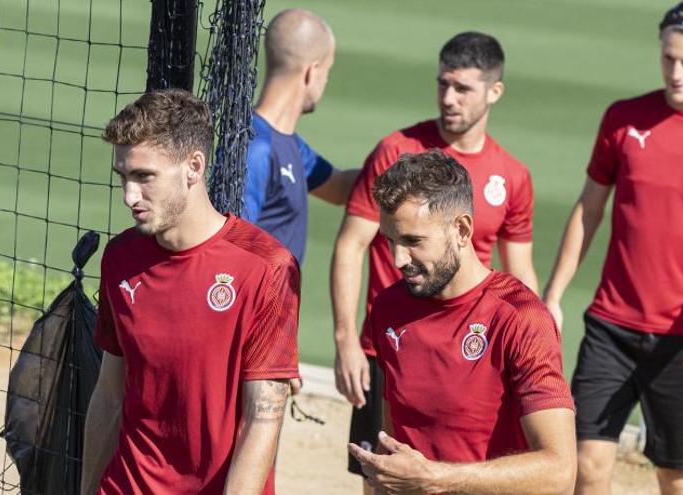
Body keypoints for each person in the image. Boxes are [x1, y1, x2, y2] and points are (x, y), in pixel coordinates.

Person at [542, 1, 683, 493]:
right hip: (611, 326)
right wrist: (553, 295)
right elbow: (589, 209)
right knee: (586, 463)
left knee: (677, 479)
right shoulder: (623, 119)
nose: (676, 72)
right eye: (668, 58)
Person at [331, 31, 539, 488]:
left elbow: (520, 270)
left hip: (465, 349)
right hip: (387, 345)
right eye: (443, 84)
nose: (449, 98)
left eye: (463, 88)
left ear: (494, 91)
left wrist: (538, 336)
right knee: (379, 475)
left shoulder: (513, 176)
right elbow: (352, 243)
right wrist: (347, 339)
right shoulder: (397, 151)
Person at [81, 89, 300, 495]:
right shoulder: (119, 257)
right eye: (124, 177)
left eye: (144, 177)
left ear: (193, 167)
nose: (130, 196)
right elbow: (110, 394)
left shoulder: (266, 267)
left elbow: (262, 417)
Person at [348, 150, 576, 495]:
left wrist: (434, 480)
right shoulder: (388, 309)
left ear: (461, 229)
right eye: (390, 241)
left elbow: (559, 471)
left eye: (413, 241)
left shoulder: (521, 319)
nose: (398, 259)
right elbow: (394, 438)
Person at [242, 8, 358, 264]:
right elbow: (230, 247)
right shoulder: (257, 148)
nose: (325, 81)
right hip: (255, 304)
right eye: (328, 70)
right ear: (311, 71)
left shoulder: (289, 144)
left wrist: (399, 164)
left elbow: (339, 188)